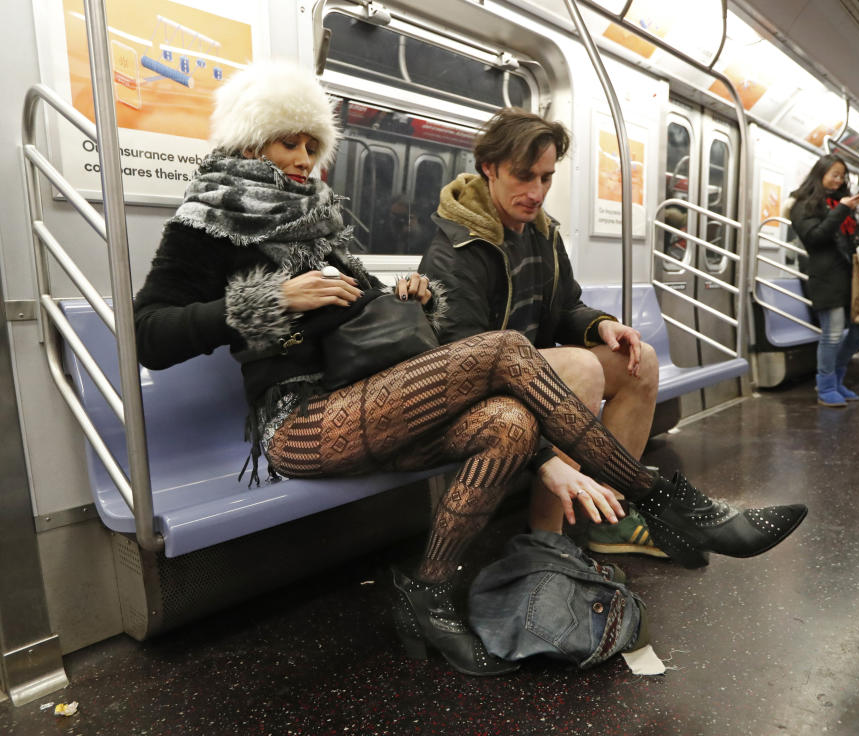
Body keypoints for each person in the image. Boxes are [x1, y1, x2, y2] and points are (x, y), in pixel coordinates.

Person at [134, 61, 806, 678]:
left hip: (361, 401)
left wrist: (395, 296)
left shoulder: (318, 225)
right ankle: (665, 500)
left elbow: (354, 313)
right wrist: (270, 299)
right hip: (299, 424)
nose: (306, 160)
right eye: (290, 144)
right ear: (252, 143)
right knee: (506, 348)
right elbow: (150, 335)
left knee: (510, 423)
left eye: (314, 146)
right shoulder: (208, 225)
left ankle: (425, 590)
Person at [419, 107, 665, 558]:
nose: (536, 192)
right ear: (489, 168)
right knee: (580, 367)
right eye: (523, 176)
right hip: (474, 388)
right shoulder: (456, 248)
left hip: (531, 372)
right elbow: (462, 354)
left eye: (546, 178)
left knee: (640, 360)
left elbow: (565, 306)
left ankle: (607, 516)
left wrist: (603, 325)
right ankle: (546, 542)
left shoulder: (542, 234)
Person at [790, 154, 859, 407]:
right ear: (820, 174)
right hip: (826, 277)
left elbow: (845, 239)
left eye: (842, 176)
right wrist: (842, 209)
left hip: (850, 276)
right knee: (833, 333)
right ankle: (825, 386)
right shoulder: (803, 204)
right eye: (834, 175)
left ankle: (837, 378)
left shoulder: (840, 203)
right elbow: (815, 238)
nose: (839, 180)